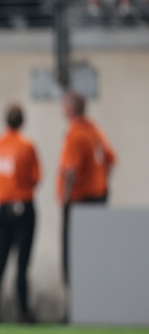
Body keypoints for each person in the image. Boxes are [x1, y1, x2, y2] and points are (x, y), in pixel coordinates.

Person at [0, 103, 41, 324]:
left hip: (1, 207)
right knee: (22, 263)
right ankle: (23, 311)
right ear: (22, 122)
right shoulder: (27, 146)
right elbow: (35, 177)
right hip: (22, 207)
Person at [58, 91, 116, 286]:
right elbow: (110, 160)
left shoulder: (75, 134)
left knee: (73, 255)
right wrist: (101, 184)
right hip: (98, 199)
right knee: (95, 252)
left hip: (78, 202)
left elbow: (70, 170)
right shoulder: (95, 131)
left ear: (69, 109)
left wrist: (65, 198)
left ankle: (74, 306)